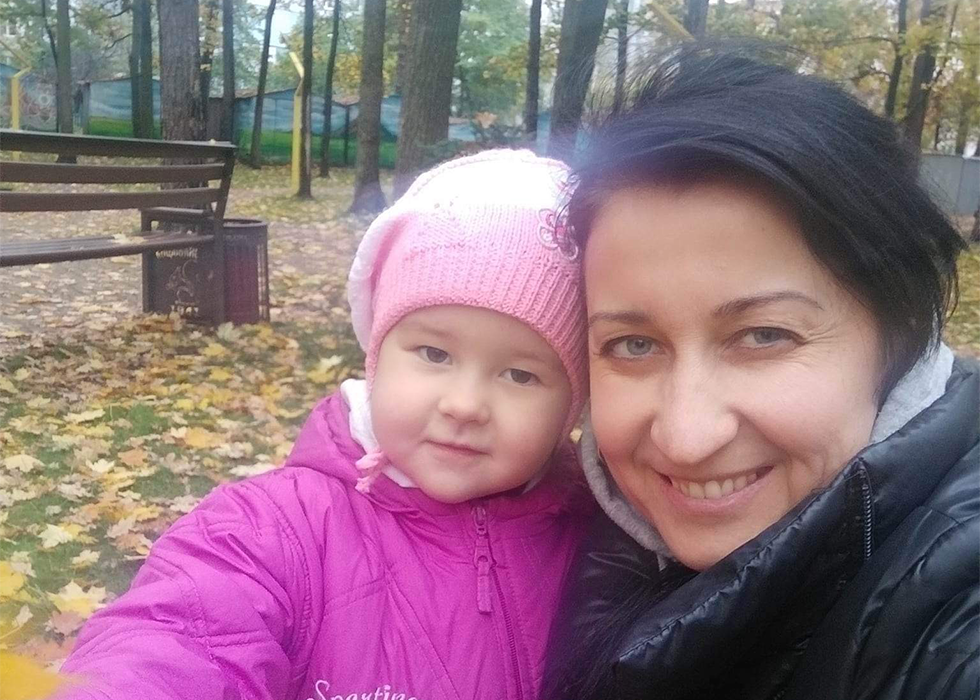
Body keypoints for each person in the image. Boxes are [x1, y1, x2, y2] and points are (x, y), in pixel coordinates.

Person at [57, 149, 593, 700]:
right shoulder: (273, 533)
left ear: (573, 408)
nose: (465, 404)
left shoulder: (610, 542)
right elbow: (175, 637)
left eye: (521, 375)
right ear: (377, 358)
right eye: (434, 354)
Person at [542, 46, 980, 700]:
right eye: (634, 345)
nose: (686, 438)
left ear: (900, 336)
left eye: (763, 335)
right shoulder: (565, 530)